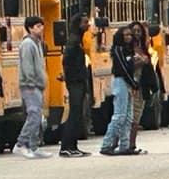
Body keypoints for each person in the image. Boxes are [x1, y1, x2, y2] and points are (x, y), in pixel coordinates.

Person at [101, 26, 143, 155]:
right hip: (121, 82)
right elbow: (123, 70)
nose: (129, 37)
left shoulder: (129, 51)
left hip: (129, 83)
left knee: (128, 117)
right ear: (120, 36)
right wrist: (133, 84)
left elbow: (131, 69)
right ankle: (106, 144)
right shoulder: (118, 50)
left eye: (130, 35)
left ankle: (124, 146)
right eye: (126, 35)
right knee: (119, 115)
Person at [16, 15, 51, 159]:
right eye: (37, 26)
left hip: (37, 84)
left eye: (41, 26)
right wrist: (31, 82)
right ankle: (21, 144)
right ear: (30, 28)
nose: (41, 29)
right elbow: (27, 65)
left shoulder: (37, 43)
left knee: (37, 115)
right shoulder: (28, 44)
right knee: (34, 115)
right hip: (30, 85)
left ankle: (34, 146)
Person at [58, 13, 93, 157]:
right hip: (75, 83)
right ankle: (66, 146)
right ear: (78, 24)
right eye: (85, 22)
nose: (88, 25)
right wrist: (71, 77)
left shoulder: (78, 39)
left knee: (78, 115)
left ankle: (73, 146)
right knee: (74, 114)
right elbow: (67, 61)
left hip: (79, 81)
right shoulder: (73, 41)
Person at [128, 20, 155, 154]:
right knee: (130, 116)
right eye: (134, 31)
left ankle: (132, 143)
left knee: (137, 116)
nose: (137, 33)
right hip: (131, 86)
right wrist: (140, 61)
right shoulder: (127, 48)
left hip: (142, 86)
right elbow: (127, 65)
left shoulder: (143, 47)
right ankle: (127, 143)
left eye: (139, 31)